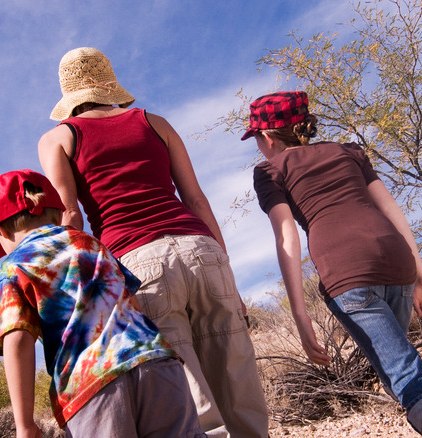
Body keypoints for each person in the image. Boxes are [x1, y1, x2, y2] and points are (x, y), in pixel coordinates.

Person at [38, 47, 268, 438]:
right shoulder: (155, 122)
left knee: (194, 402)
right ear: (109, 81)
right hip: (200, 248)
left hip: (137, 262)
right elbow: (195, 199)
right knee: (239, 380)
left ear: (68, 92)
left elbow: (71, 217)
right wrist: (225, 269)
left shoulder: (59, 138)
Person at [243, 91, 422, 438]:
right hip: (397, 262)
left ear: (267, 136)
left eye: (256, 137)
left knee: (406, 375)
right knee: (398, 370)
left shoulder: (269, 171)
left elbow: (287, 236)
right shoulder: (348, 152)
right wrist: (419, 275)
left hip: (346, 274)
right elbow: (391, 210)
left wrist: (301, 316)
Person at [0, 169, 205, 438]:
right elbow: (132, 301)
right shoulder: (89, 243)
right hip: (155, 362)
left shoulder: (12, 268)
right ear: (56, 213)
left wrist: (25, 424)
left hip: (91, 385)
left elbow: (17, 340)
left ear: (0, 231)